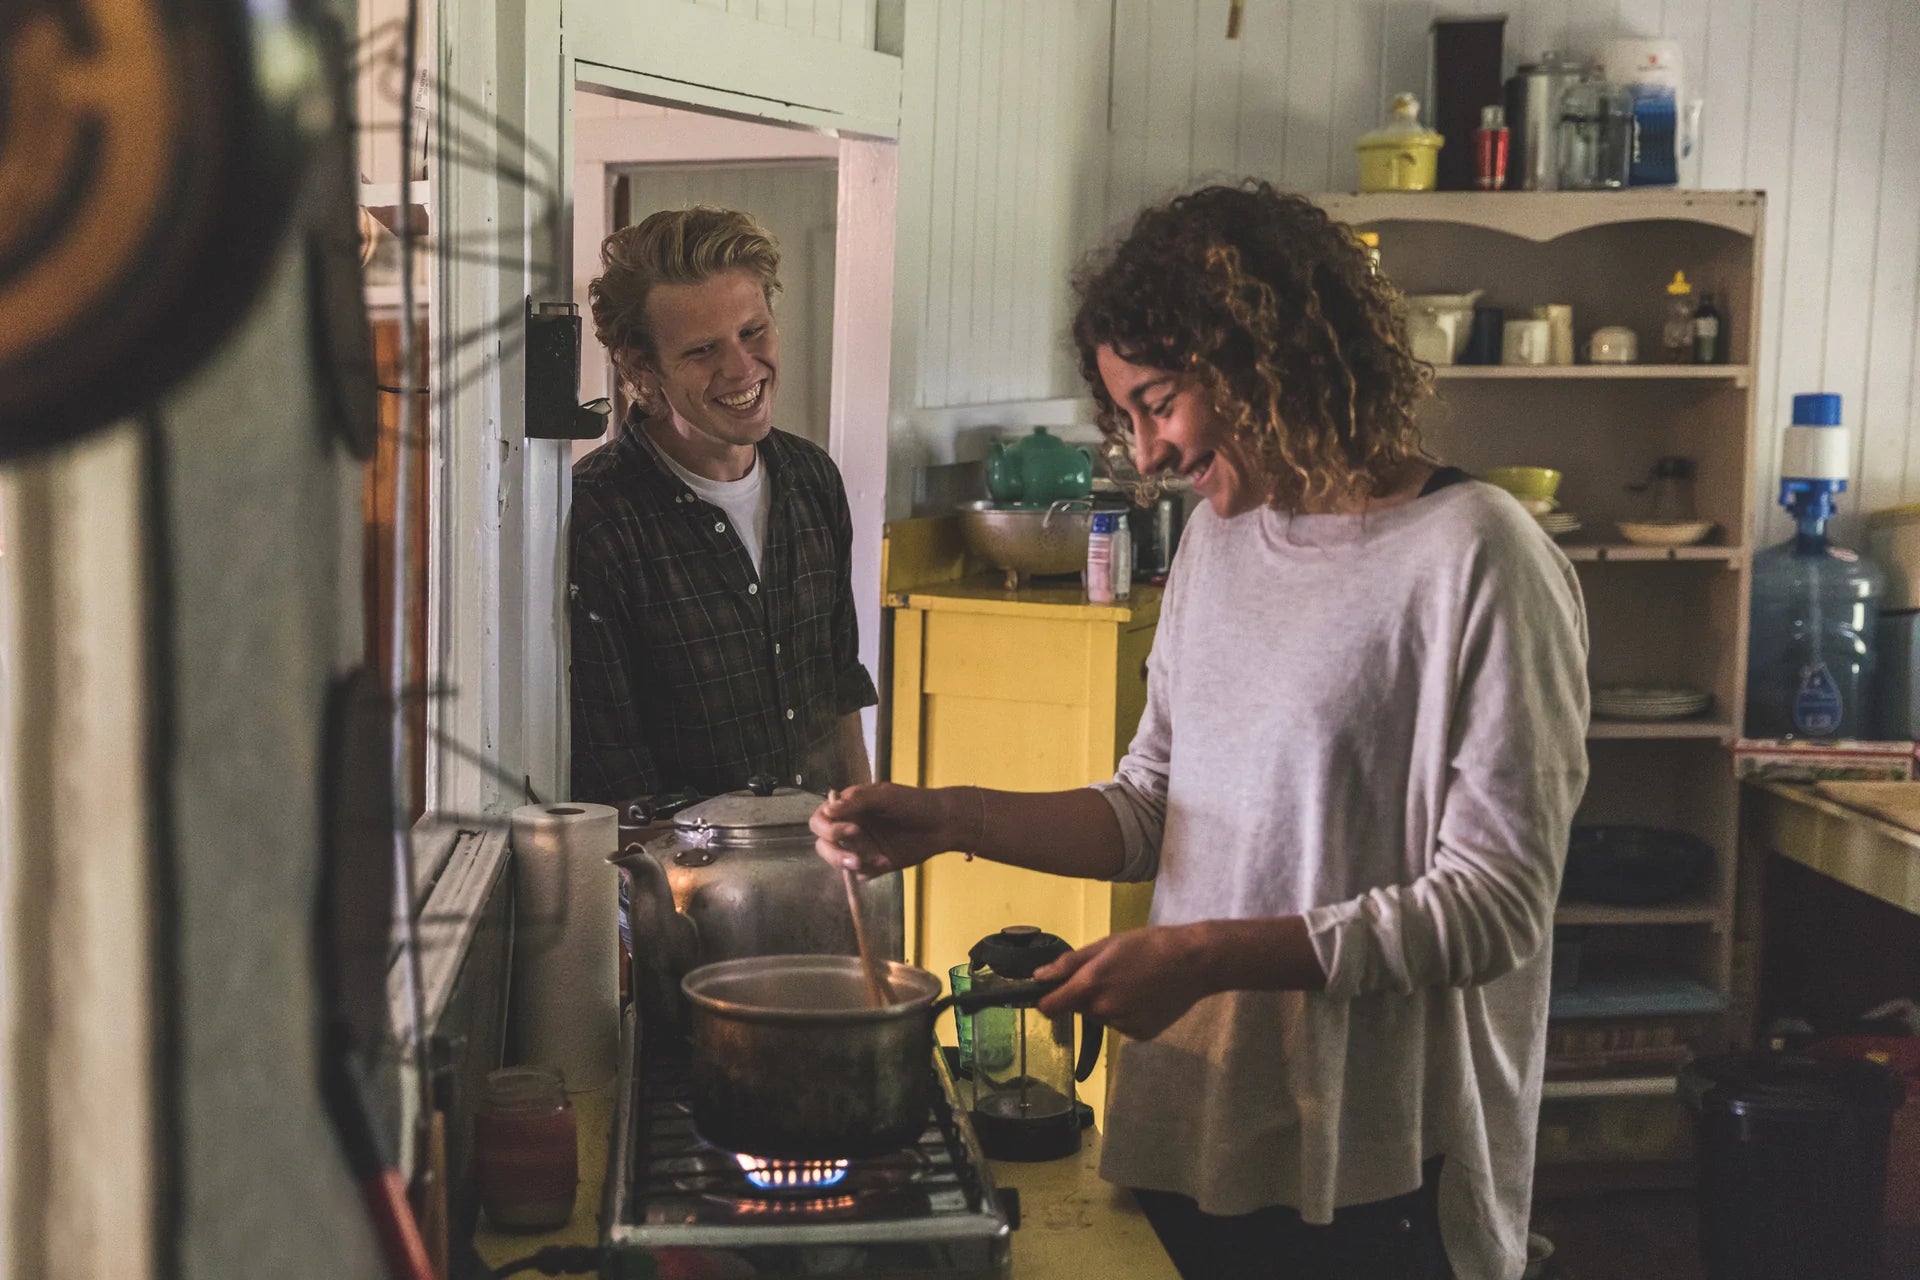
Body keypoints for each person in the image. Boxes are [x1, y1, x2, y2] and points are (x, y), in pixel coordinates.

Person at [811, 182, 1588, 1280]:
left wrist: (1207, 955)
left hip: (1376, 1157)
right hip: (1196, 1119)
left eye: (1161, 402)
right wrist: (945, 817)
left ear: (1266, 361)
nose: (1147, 451)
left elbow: (1494, 906)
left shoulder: (1478, 558)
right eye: (1124, 416)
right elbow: (1149, 809)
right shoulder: (1221, 548)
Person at [571, 205, 876, 805]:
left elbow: (839, 688)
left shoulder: (813, 479)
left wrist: (866, 828)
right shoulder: (600, 517)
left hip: (821, 867)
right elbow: (611, 772)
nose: (741, 368)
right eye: (703, 350)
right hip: (682, 885)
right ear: (640, 366)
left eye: (752, 332)